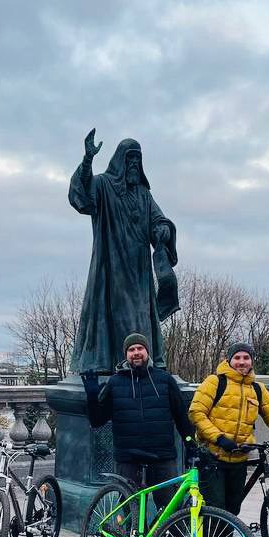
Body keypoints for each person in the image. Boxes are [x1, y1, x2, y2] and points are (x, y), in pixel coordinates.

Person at [67, 129, 180, 374]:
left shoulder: (143, 194)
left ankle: (143, 364)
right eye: (129, 160)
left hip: (139, 271)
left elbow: (159, 220)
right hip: (111, 265)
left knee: (141, 316)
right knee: (111, 314)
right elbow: (81, 195)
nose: (133, 165)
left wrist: (162, 231)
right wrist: (87, 159)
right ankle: (110, 365)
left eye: (137, 161)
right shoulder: (103, 185)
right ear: (120, 161)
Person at [189, 342, 269, 537]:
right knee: (216, 508)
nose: (241, 362)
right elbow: (196, 413)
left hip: (239, 458)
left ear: (251, 361)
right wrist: (219, 438)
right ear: (229, 360)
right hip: (214, 456)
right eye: (237, 357)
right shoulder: (214, 382)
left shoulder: (257, 388)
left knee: (232, 510)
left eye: (246, 358)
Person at [81, 332, 199, 513]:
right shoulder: (114, 382)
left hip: (162, 456)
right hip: (128, 458)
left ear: (147, 352)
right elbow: (97, 421)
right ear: (126, 354)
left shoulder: (164, 380)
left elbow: (181, 416)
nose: (136, 352)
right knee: (132, 512)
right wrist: (91, 397)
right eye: (131, 349)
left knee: (170, 510)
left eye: (140, 348)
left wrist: (190, 443)